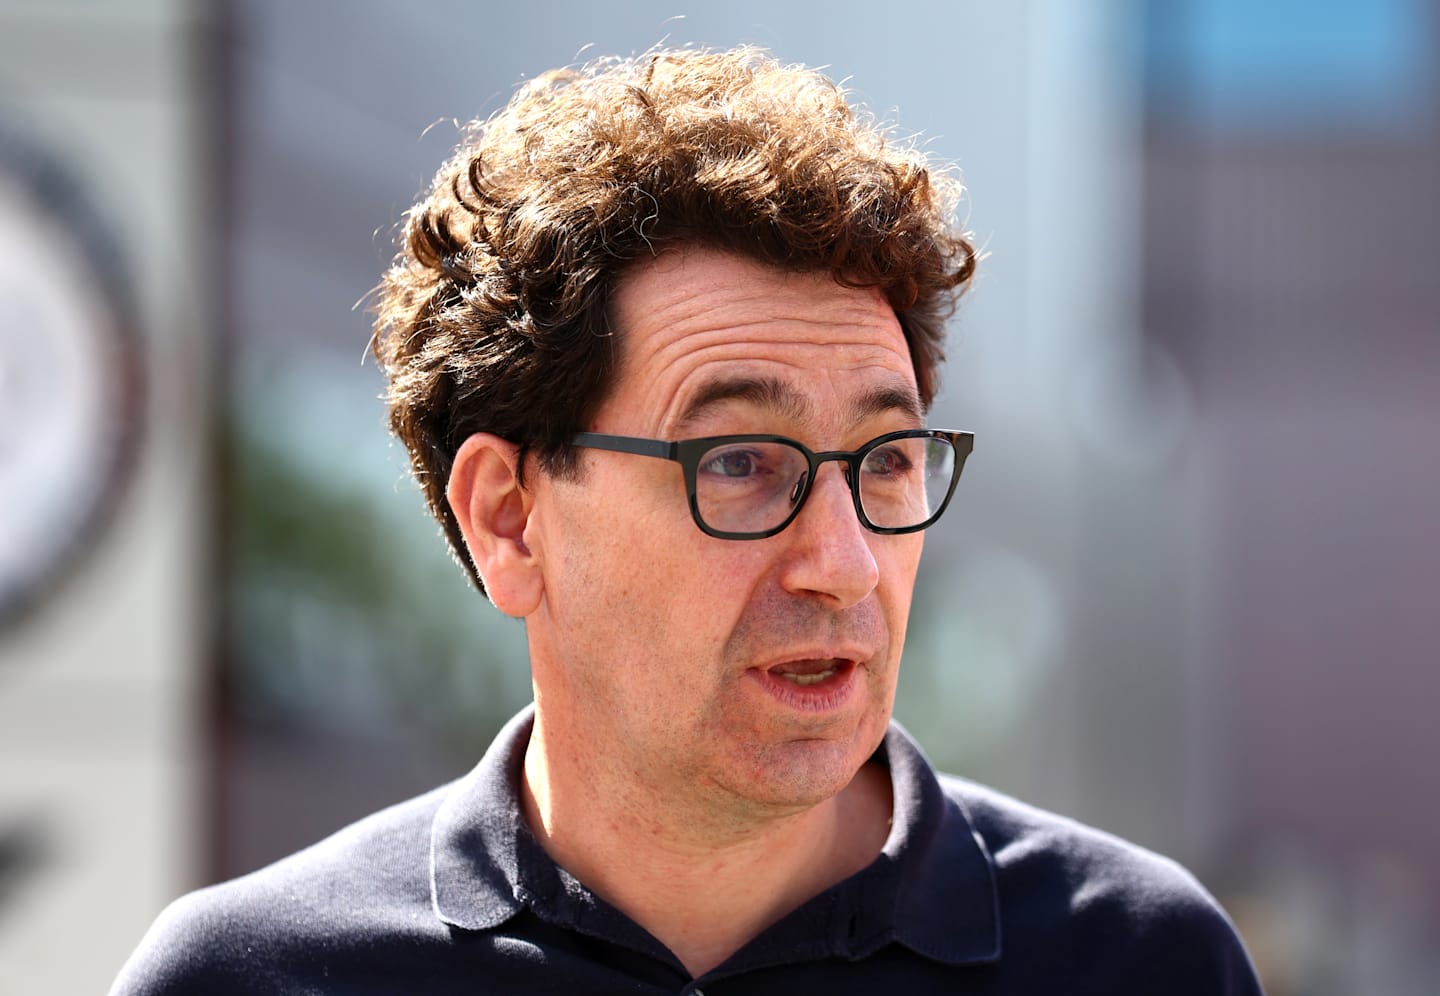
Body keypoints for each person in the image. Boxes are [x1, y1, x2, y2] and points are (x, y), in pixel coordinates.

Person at [111, 47, 1263, 994]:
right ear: (509, 519)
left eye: (887, 460)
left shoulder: (1136, 960)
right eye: (743, 462)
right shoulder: (255, 981)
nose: (844, 564)